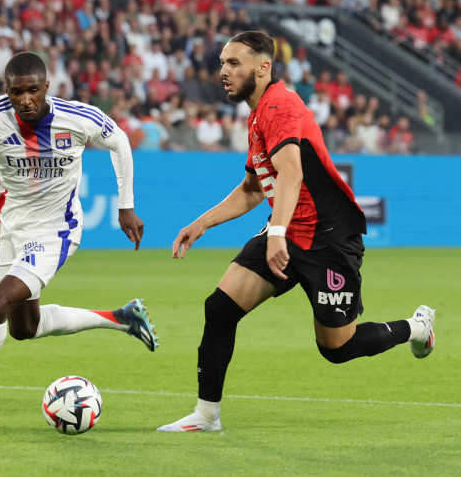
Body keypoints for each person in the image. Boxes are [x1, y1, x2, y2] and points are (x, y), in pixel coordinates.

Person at [156, 31, 435, 433]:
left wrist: (275, 233)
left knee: (337, 348)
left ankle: (417, 327)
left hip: (328, 239)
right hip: (285, 232)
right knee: (219, 309)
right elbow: (254, 188)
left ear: (263, 67)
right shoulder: (256, 115)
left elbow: (292, 172)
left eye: (234, 63)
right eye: (222, 62)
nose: (223, 71)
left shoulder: (281, 105)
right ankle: (206, 415)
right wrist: (201, 223)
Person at [0, 52, 159, 424]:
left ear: (46, 87)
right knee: (24, 329)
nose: (25, 100)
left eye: (32, 90)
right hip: (12, 229)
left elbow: (119, 142)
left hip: (57, 229)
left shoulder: (78, 117)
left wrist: (126, 204)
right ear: (6, 90)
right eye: (16, 92)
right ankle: (120, 318)